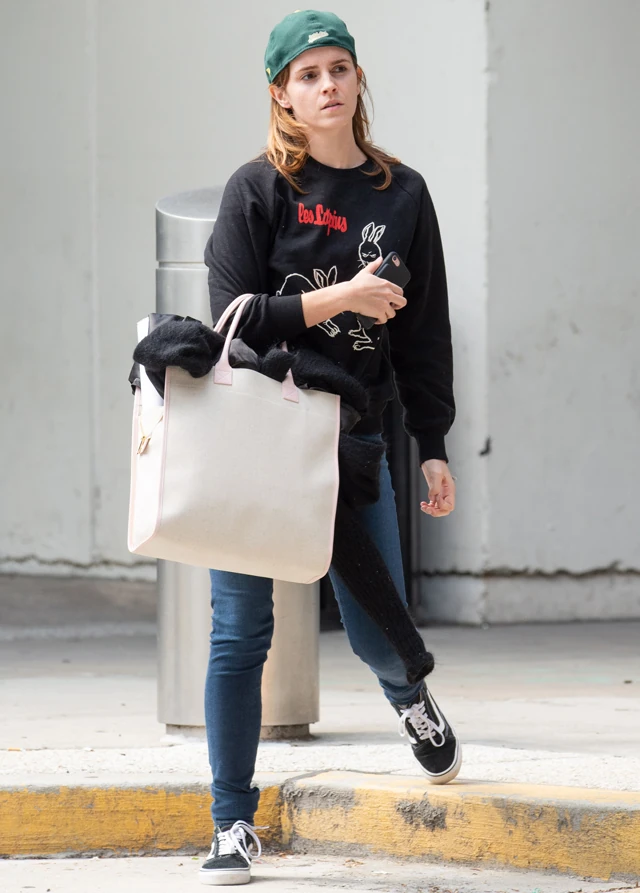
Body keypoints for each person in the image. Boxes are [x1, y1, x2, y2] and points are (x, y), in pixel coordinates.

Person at [200, 9, 458, 886]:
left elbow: (423, 333)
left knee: (376, 627)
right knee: (241, 630)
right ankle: (231, 820)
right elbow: (234, 318)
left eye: (338, 68)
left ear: (357, 79)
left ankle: (409, 696)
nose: (326, 86)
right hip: (255, 438)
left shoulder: (402, 194)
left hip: (351, 441)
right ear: (282, 94)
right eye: (306, 75)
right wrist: (342, 296)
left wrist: (432, 441)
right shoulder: (257, 190)